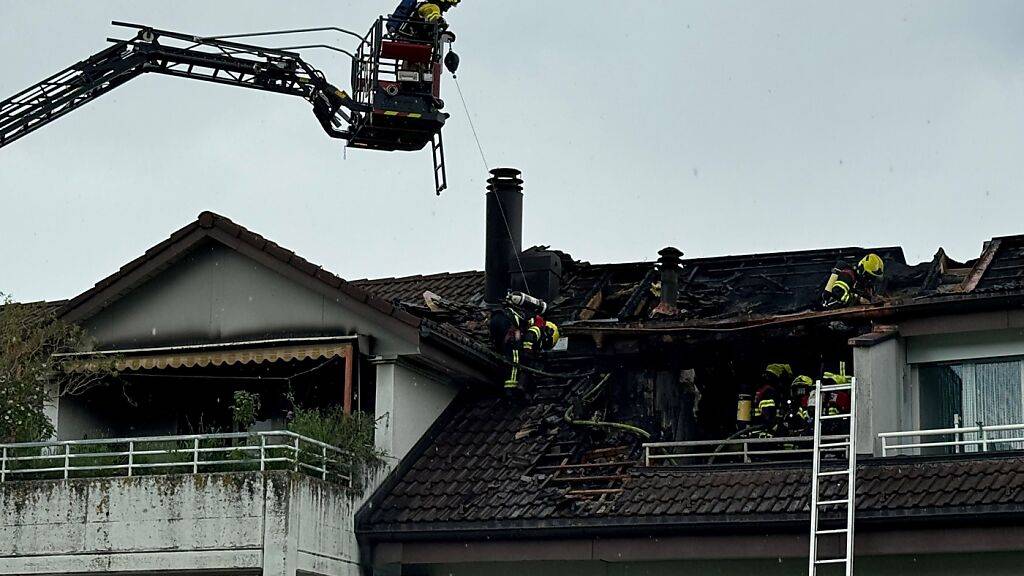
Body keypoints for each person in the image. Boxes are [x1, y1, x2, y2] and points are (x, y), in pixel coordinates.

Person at [388, 0, 461, 39]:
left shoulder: (424, 5)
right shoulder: (432, 7)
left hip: (408, 38)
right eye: (449, 4)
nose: (449, 7)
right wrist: (440, 23)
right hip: (411, 39)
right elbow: (433, 17)